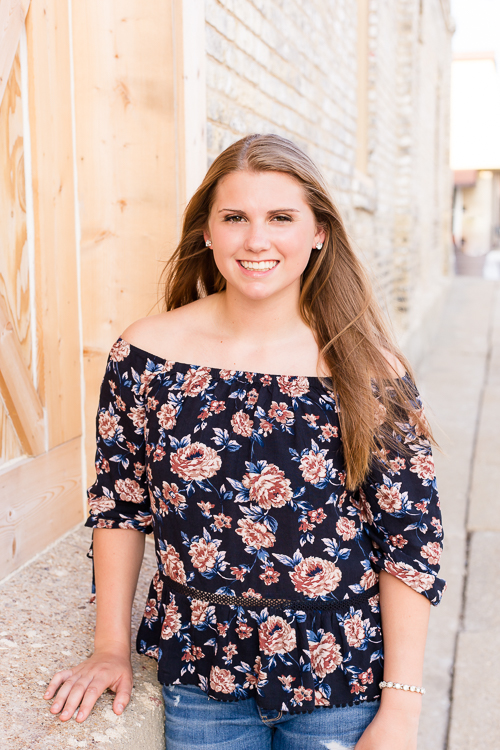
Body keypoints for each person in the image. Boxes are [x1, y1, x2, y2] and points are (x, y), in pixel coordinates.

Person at [44, 134, 445, 749]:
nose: (257, 240)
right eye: (235, 218)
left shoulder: (369, 369)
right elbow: (120, 506)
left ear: (320, 233)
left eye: (281, 218)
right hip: (203, 677)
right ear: (207, 232)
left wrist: (403, 708)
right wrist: (110, 648)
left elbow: (409, 541)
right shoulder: (146, 355)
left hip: (341, 679)